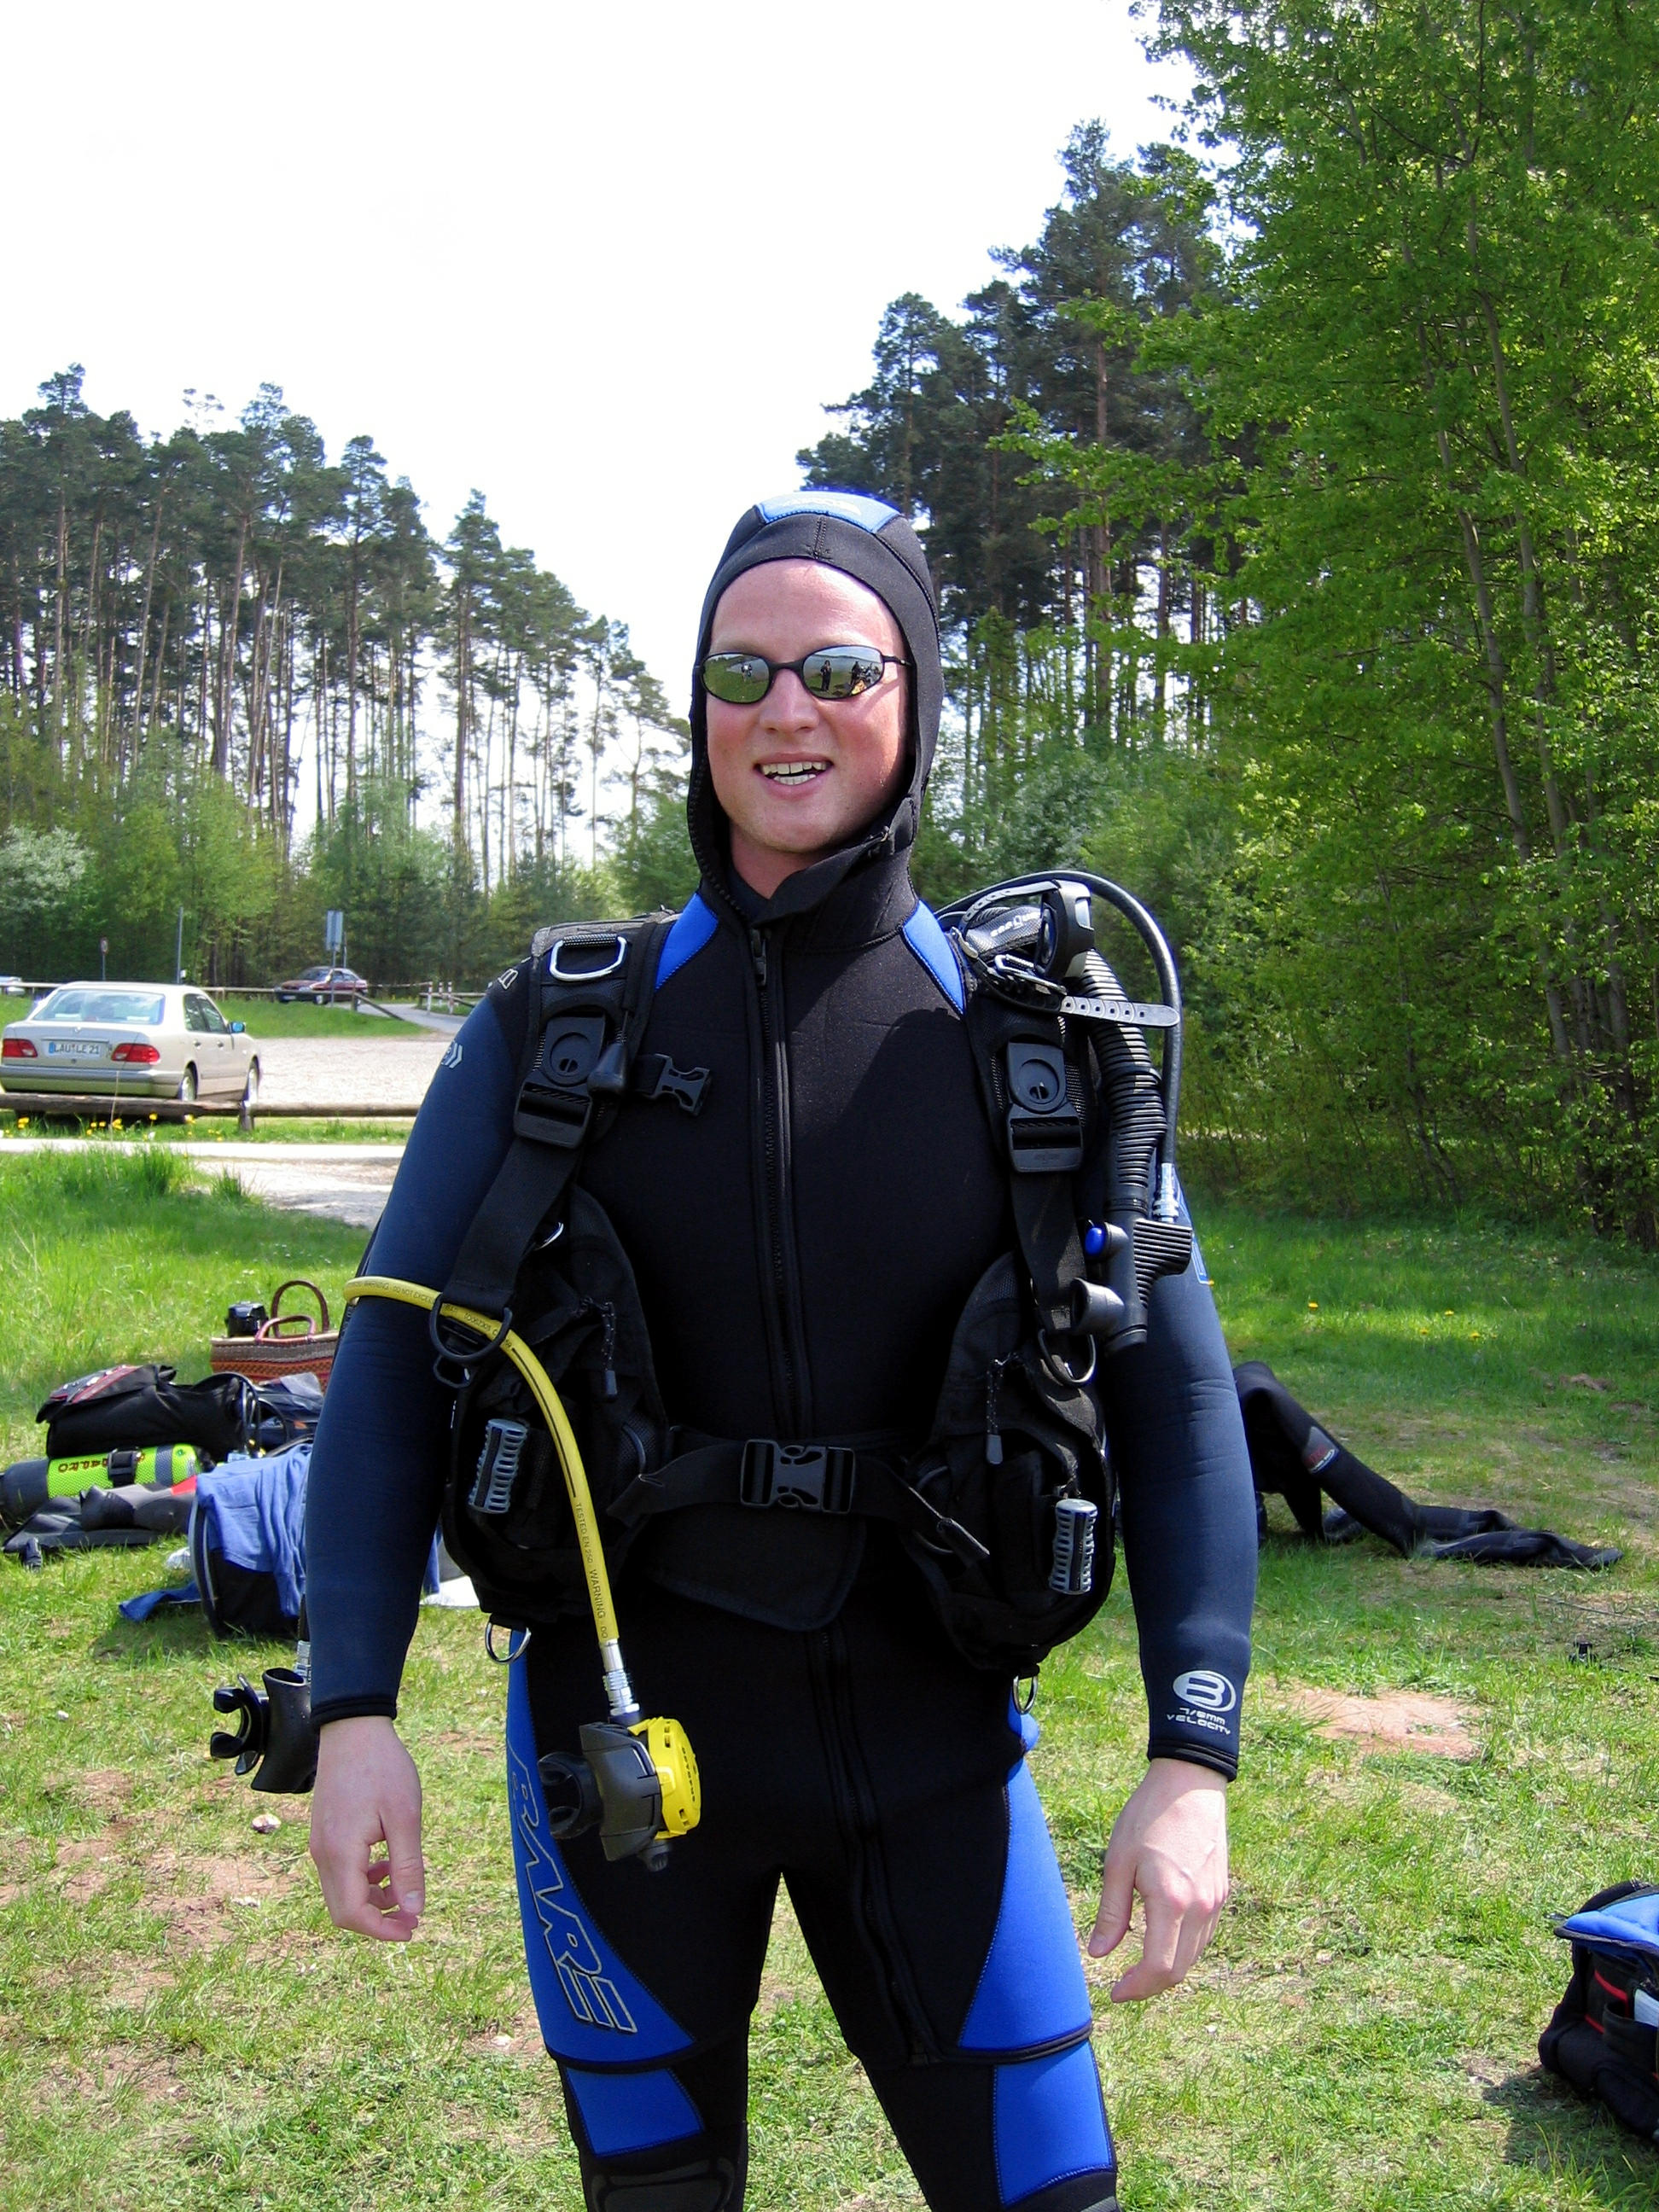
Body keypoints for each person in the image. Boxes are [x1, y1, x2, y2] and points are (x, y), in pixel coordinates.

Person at [305, 490, 1257, 2212]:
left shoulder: (1042, 1044)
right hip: (622, 1770)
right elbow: (383, 1369)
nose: (783, 710)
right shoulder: (555, 1027)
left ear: (916, 699)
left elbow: (1179, 1400)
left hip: (935, 1758)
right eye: (740, 672)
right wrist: (354, 1708)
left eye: (838, 667)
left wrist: (1192, 1758)